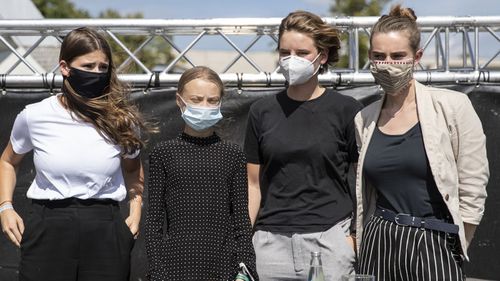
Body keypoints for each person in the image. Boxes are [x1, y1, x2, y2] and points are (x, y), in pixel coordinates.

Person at [0, 27, 149, 281]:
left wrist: (135, 212)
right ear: (65, 67)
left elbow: (133, 170)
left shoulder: (121, 119)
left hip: (106, 228)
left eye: (103, 67)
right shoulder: (34, 115)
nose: (97, 73)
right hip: (48, 226)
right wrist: (5, 207)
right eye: (88, 66)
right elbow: (7, 162)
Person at [354, 5, 489, 281]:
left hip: (435, 243)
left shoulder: (453, 107)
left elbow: (473, 186)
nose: (388, 64)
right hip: (379, 241)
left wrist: (457, 242)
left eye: (398, 56)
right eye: (379, 56)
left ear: (417, 57)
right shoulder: (364, 118)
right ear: (369, 58)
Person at [244, 10, 362, 281]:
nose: (291, 60)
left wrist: (353, 238)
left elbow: (360, 180)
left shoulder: (347, 110)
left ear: (322, 56)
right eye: (285, 52)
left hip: (331, 241)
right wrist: (245, 242)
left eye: (302, 52)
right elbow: (252, 184)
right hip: (269, 246)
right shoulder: (261, 112)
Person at [145, 66, 257, 281]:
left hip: (223, 267)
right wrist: (157, 271)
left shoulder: (232, 155)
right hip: (174, 267)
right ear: (180, 101)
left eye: (212, 100)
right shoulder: (163, 153)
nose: (204, 106)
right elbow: (154, 222)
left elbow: (241, 221)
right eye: (196, 99)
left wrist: (246, 268)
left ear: (220, 102)